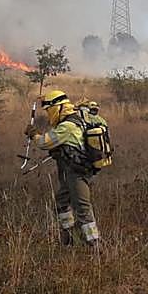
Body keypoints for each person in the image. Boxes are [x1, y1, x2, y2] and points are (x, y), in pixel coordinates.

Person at [26, 89, 101, 248]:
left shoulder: (67, 126)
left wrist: (34, 135)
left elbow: (44, 142)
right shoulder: (71, 120)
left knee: (82, 209)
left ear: (58, 107)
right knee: (61, 201)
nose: (48, 113)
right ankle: (68, 238)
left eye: (49, 110)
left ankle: (96, 248)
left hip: (77, 173)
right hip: (72, 171)